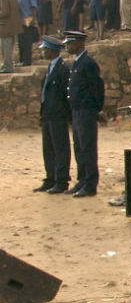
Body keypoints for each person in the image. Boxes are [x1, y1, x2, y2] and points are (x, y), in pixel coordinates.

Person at [63, 30, 104, 198]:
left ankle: (90, 183)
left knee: (87, 147)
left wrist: (97, 109)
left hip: (86, 111)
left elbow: (96, 87)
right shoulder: (77, 62)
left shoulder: (87, 63)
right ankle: (82, 179)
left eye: (70, 43)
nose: (67, 46)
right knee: (79, 147)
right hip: (77, 110)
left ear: (80, 43)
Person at [34, 36, 71, 193]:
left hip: (58, 114)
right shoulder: (51, 68)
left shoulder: (62, 69)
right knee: (48, 148)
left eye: (44, 49)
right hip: (48, 113)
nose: (42, 52)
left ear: (51, 50)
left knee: (60, 147)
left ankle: (61, 180)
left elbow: (66, 94)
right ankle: (50, 178)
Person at [17, 0, 37, 65]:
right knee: (20, 41)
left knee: (27, 40)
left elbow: (34, 6)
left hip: (27, 18)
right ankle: (21, 60)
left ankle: (27, 61)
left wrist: (33, 18)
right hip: (20, 20)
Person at [0, 0, 19, 73]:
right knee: (8, 47)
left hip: (5, 27)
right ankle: (7, 65)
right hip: (12, 26)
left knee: (5, 48)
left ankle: (7, 67)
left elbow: (5, 13)